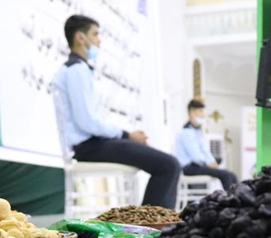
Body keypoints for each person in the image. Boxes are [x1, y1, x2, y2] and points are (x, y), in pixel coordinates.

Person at [51, 15, 181, 209]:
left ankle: (151, 225)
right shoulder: (76, 70)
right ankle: (153, 229)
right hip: (89, 147)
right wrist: (128, 135)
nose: (99, 40)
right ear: (80, 37)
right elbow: (88, 122)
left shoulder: (77, 69)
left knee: (167, 164)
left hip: (93, 144)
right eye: (95, 34)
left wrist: (128, 136)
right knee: (168, 165)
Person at [174, 100, 238, 191]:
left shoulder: (197, 132)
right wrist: (208, 163)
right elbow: (196, 156)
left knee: (232, 175)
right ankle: (231, 201)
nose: (203, 115)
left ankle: (239, 200)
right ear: (191, 113)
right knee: (226, 176)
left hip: (198, 166)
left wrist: (212, 161)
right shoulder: (186, 133)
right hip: (189, 168)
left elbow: (205, 151)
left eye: (203, 111)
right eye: (200, 111)